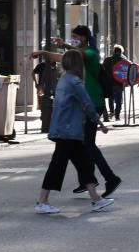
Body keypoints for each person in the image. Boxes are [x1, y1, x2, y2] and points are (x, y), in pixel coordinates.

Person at [32, 25, 121, 198]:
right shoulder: (76, 59)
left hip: (92, 101)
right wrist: (44, 53)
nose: (74, 40)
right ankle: (90, 183)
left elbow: (75, 56)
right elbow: (64, 58)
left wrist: (62, 45)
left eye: (76, 37)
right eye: (72, 37)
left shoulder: (91, 53)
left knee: (86, 145)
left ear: (85, 38)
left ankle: (107, 178)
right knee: (81, 146)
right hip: (84, 104)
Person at [32, 53, 59, 133]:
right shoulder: (42, 65)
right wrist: (36, 83)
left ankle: (48, 123)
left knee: (50, 107)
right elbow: (33, 73)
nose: (52, 60)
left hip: (52, 89)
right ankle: (44, 120)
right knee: (43, 106)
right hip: (42, 89)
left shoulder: (56, 66)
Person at [101, 45, 128, 121]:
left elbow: (103, 70)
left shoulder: (107, 60)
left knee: (110, 98)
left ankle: (112, 112)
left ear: (114, 51)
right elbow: (127, 70)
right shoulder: (123, 60)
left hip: (109, 83)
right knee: (119, 101)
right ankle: (117, 116)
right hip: (119, 83)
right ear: (121, 52)